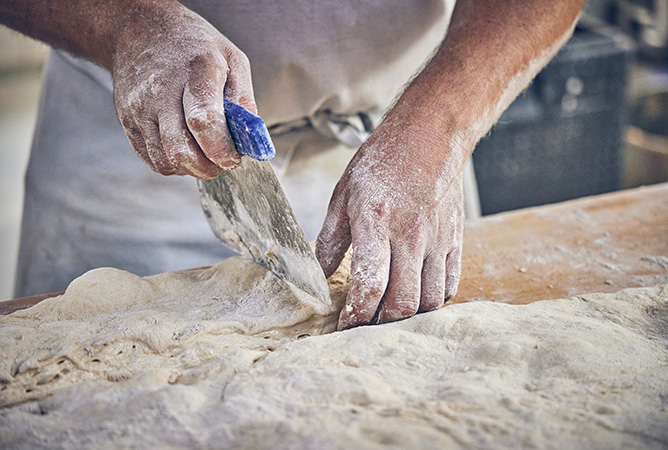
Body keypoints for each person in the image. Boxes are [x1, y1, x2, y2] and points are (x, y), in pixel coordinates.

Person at [1, 0, 584, 330]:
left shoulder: (426, 133)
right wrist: (125, 22)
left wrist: (443, 123)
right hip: (140, 143)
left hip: (405, 148)